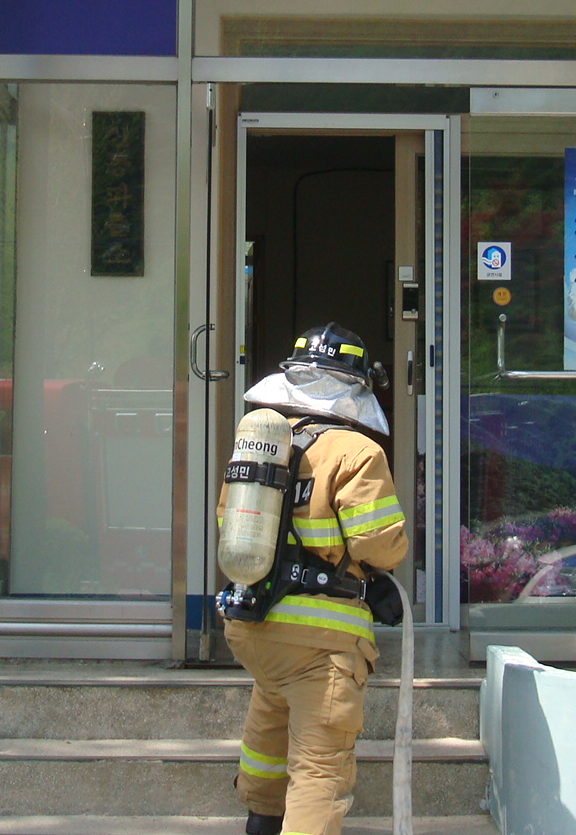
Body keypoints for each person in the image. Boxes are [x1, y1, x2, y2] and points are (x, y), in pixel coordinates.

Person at [228, 322, 408, 835]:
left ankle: (261, 819)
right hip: (320, 642)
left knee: (269, 730)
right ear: (356, 388)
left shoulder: (262, 443)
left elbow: (228, 523)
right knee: (320, 768)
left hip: (255, 625)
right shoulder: (357, 452)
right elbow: (380, 545)